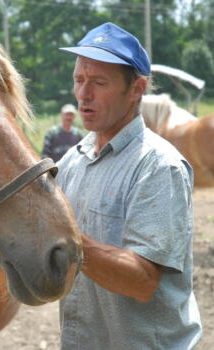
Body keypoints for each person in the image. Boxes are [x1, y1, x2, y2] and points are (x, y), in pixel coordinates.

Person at [56, 22, 202, 349]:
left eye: (98, 82)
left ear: (137, 88)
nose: (83, 94)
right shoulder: (72, 160)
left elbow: (142, 281)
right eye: (79, 80)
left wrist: (63, 238)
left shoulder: (158, 167)